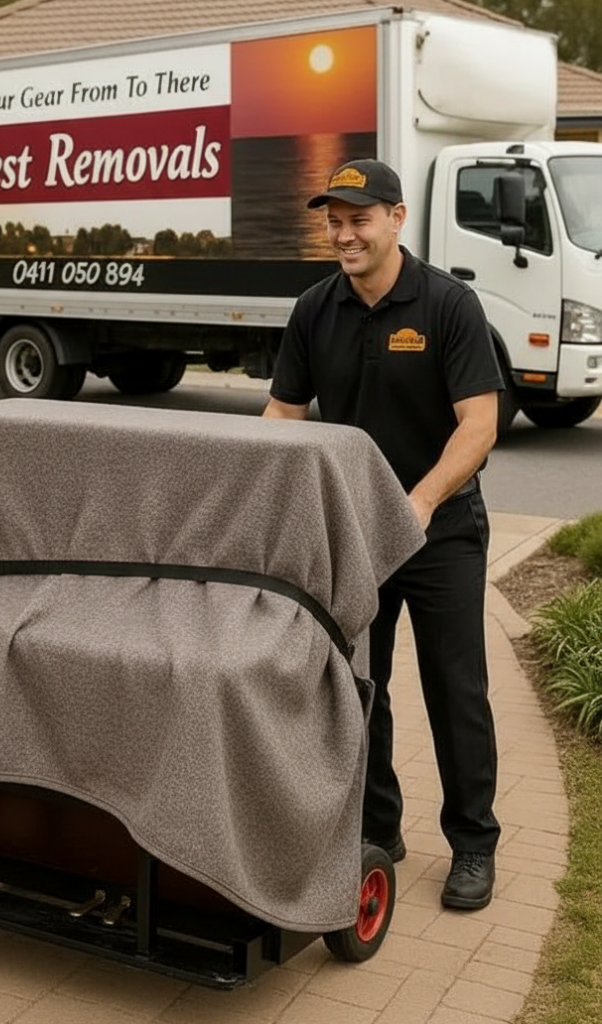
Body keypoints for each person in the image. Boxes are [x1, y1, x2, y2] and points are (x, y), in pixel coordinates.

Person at [263, 158, 503, 910]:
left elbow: (481, 425)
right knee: (359, 685)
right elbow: (284, 417)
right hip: (355, 534)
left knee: (455, 687)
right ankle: (378, 828)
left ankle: (473, 845)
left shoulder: (447, 305)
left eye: (359, 218)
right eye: (333, 220)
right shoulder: (314, 310)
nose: (344, 233)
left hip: (443, 530)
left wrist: (422, 501)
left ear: (397, 219)